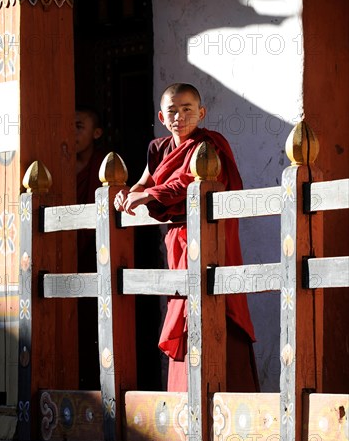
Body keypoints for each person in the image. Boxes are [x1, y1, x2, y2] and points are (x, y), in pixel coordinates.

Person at [114, 83, 259, 392]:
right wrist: (126, 195)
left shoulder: (209, 145)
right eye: (172, 111)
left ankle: (229, 392)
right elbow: (143, 184)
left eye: (187, 109)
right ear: (162, 117)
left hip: (211, 233)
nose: (179, 116)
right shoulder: (160, 149)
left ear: (201, 112)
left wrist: (149, 194)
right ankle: (184, 397)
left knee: (216, 299)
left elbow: (189, 183)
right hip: (179, 238)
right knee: (182, 304)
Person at [76, 106, 107, 389]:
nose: (71, 133)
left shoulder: (102, 165)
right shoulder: (59, 164)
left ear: (96, 133)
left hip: (94, 254)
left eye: (78, 126)